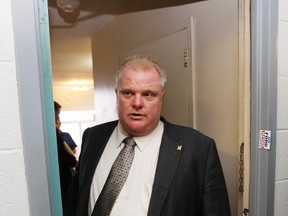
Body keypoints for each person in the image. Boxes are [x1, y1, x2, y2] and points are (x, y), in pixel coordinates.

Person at [63, 55, 231, 216]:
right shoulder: (93, 137)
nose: (137, 103)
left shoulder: (197, 148)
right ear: (117, 94)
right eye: (128, 93)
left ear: (161, 98)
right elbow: (75, 198)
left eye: (148, 94)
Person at [54, 101, 78, 196]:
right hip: (62, 177)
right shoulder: (53, 132)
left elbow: (73, 149)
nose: (58, 118)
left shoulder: (65, 135)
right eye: (57, 114)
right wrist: (74, 162)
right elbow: (61, 155)